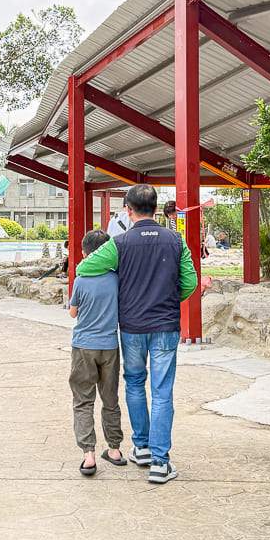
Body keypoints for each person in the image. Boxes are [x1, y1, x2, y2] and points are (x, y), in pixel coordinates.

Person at [77, 183, 198, 485]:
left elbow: (84, 269)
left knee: (134, 383)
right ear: (156, 209)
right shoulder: (175, 240)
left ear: (128, 211)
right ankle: (160, 463)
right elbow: (191, 282)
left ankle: (141, 448)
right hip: (166, 326)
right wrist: (170, 300)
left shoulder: (118, 243)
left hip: (131, 327)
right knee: (161, 390)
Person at [67, 228, 126, 476]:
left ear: (84, 253)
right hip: (110, 346)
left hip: (83, 346)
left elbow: (73, 312)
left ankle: (89, 455)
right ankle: (114, 450)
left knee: (83, 400)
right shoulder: (115, 278)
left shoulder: (80, 280)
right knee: (110, 398)